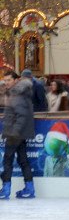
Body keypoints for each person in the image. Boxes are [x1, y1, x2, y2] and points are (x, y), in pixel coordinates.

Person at [1, 71, 36, 199]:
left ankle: (5, 189)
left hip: (14, 134)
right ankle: (29, 188)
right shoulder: (18, 93)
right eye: (5, 80)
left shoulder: (17, 94)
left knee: (7, 160)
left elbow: (22, 116)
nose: (6, 82)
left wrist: (14, 132)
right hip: (19, 134)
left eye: (9, 80)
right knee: (23, 160)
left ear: (16, 80)